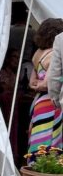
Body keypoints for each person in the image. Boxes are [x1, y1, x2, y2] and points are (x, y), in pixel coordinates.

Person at [27, 18, 63, 156]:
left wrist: (38, 86)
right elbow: (49, 83)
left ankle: (35, 167)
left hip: (38, 101)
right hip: (51, 102)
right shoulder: (54, 54)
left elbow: (32, 82)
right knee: (50, 141)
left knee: (38, 137)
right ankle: (47, 173)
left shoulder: (38, 54)